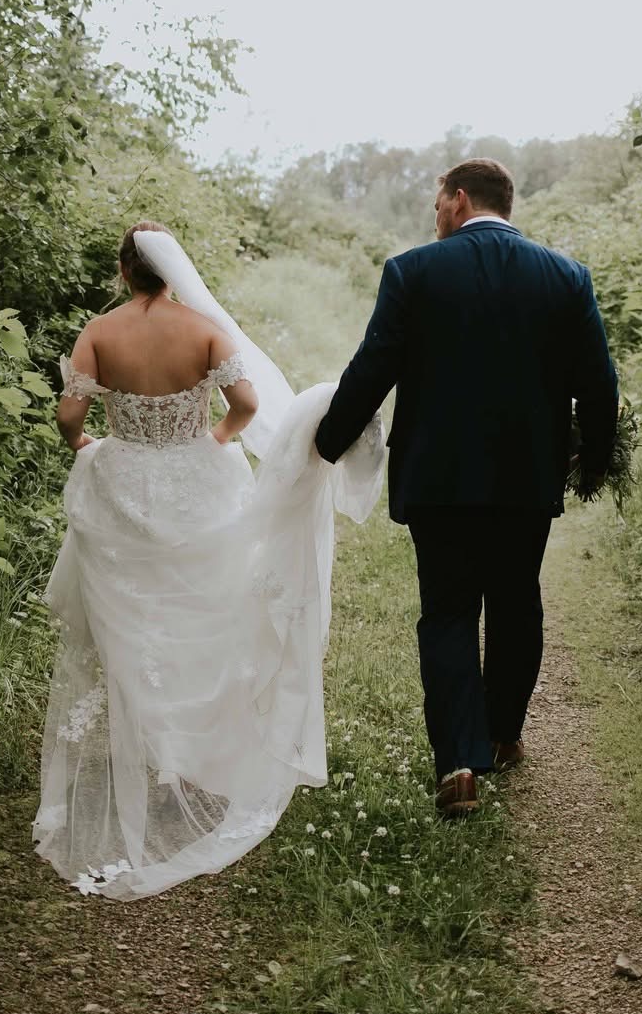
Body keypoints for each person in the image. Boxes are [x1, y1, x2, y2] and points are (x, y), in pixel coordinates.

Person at [33, 222, 384, 899]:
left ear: (123, 270)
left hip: (122, 480)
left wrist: (89, 448)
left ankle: (148, 750)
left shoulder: (98, 332)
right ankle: (182, 754)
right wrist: (214, 440)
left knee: (130, 618)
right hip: (196, 481)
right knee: (197, 613)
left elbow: (69, 417)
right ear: (172, 271)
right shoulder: (205, 331)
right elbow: (246, 405)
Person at [313, 159, 619, 819]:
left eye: (436, 207)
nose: (435, 219)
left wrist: (326, 441)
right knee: (516, 602)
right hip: (527, 479)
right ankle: (503, 736)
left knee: (448, 611)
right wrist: (593, 462)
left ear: (458, 199)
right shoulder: (566, 277)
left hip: (439, 479)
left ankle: (458, 763)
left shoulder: (413, 272)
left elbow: (373, 369)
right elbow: (599, 385)